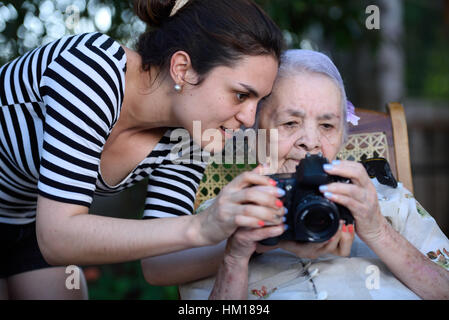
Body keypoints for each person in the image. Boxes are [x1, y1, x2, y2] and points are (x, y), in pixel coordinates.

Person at [0, 0, 286, 299]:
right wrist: (201, 226)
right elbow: (58, 237)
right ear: (182, 69)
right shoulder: (93, 72)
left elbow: (160, 265)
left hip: (28, 219)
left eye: (259, 101)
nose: (249, 119)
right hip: (45, 226)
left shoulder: (191, 133)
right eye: (241, 95)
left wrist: (264, 239)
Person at [179, 49, 449, 300]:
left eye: (327, 125)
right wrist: (235, 257)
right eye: (290, 123)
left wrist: (378, 231)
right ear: (253, 136)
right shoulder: (219, 219)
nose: (310, 141)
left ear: (343, 136)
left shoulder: (388, 201)